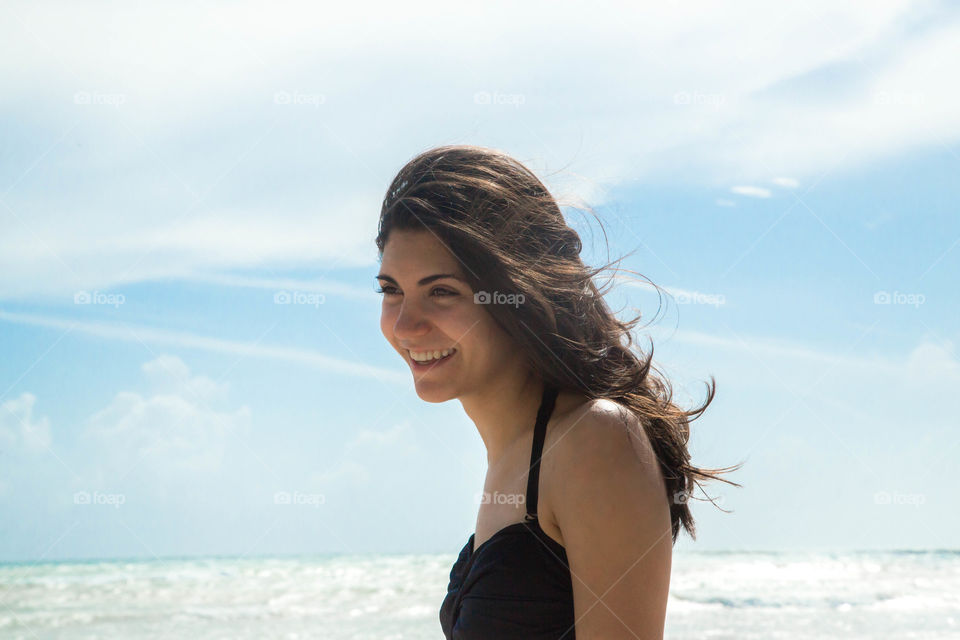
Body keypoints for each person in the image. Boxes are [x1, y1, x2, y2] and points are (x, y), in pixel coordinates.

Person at [375, 145, 741, 640]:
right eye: (391, 290)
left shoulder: (593, 438)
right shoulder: (513, 456)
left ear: (518, 293)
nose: (405, 325)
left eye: (442, 292)